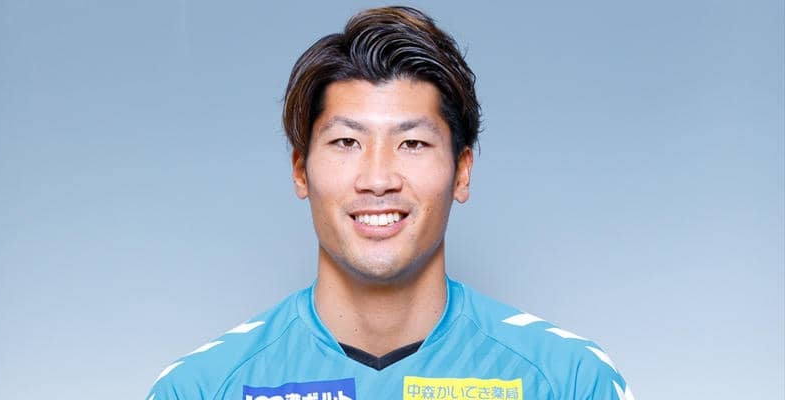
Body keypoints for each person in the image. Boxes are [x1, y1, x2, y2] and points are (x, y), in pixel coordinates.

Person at [147, 6, 633, 400]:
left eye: (412, 143)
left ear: (462, 171)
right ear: (300, 170)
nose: (378, 179)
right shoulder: (201, 388)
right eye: (346, 142)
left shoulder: (569, 381)